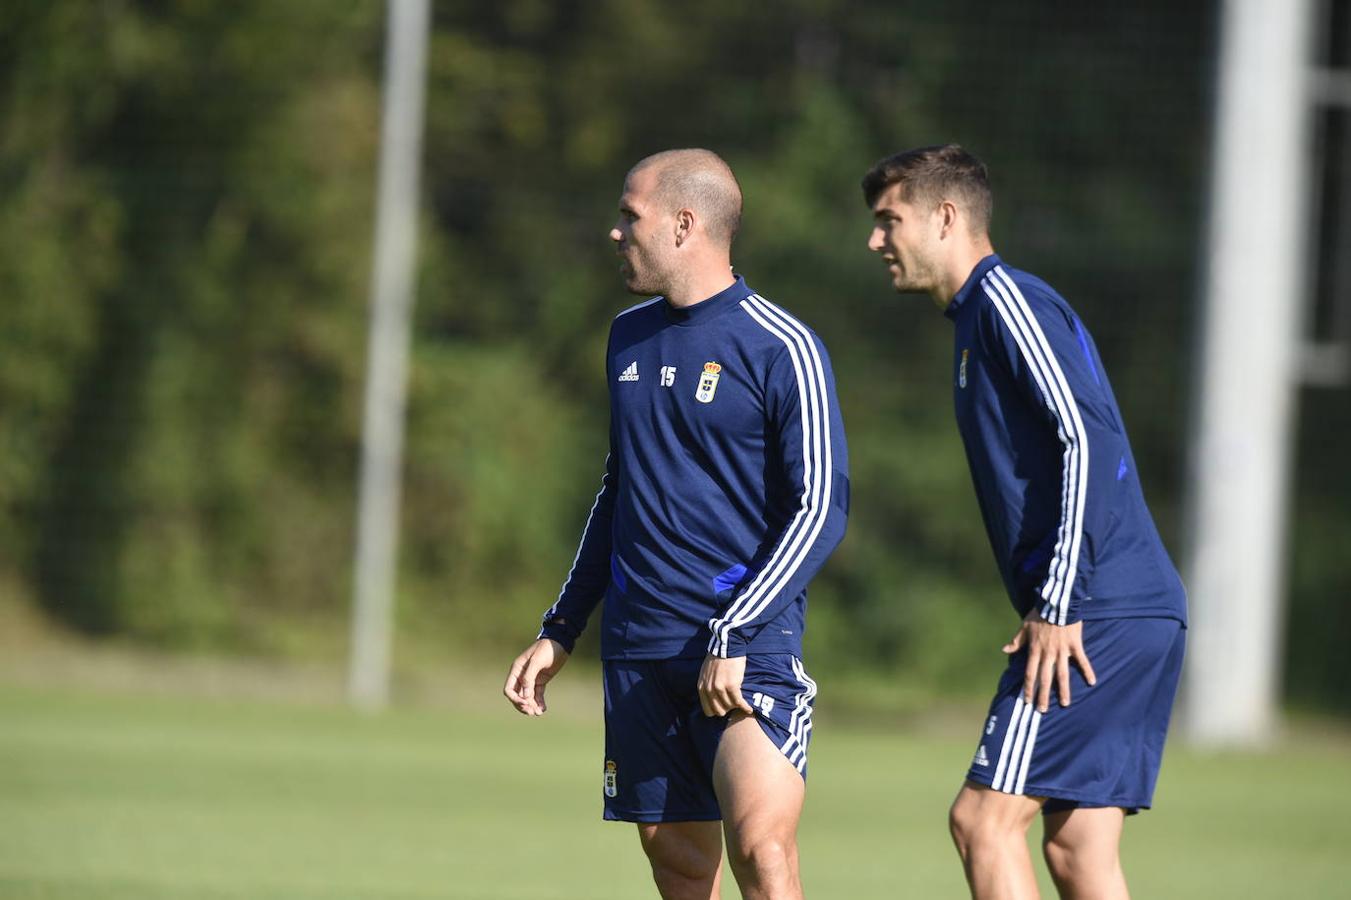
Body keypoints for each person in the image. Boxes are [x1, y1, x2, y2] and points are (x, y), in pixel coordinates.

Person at [504, 148, 849, 900]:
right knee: (683, 868)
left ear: (684, 225)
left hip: (744, 654)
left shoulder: (780, 346)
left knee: (761, 849)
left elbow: (821, 506)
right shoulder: (626, 337)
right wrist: (561, 627)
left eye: (631, 216)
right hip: (641, 650)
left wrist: (737, 630)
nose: (615, 232)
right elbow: (617, 491)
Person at [860, 144, 1187, 899]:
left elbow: (1086, 436)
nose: (875, 242)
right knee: (1078, 850)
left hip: (1097, 606)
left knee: (981, 820)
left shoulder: (1004, 300)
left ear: (944, 218)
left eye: (888, 221)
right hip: (1132, 605)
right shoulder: (975, 319)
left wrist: (1058, 603)